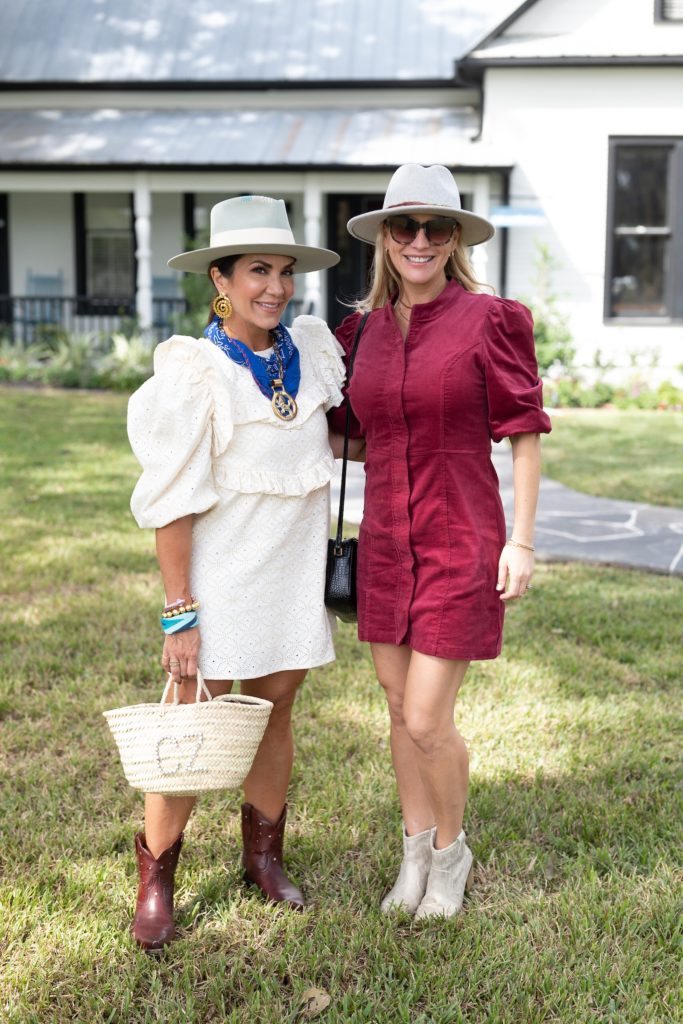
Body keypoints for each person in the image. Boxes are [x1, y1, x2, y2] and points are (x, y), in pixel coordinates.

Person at [328, 164, 552, 920]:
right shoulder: (356, 334)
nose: (418, 241)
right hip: (385, 537)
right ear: (383, 239)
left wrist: (519, 541)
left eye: (435, 228)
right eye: (404, 227)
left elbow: (522, 434)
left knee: (427, 718)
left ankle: (451, 856)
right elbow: (350, 438)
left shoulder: (491, 319)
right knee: (395, 709)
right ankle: (412, 852)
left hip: (462, 535)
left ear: (454, 239)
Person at [126, 195, 343, 950]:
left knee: (275, 711)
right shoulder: (196, 371)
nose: (275, 287)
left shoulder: (306, 353)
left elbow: (336, 447)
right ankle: (157, 877)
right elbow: (172, 505)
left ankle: (262, 857)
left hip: (290, 573)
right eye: (257, 271)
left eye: (284, 271)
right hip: (221, 584)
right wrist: (179, 613)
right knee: (195, 729)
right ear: (220, 278)